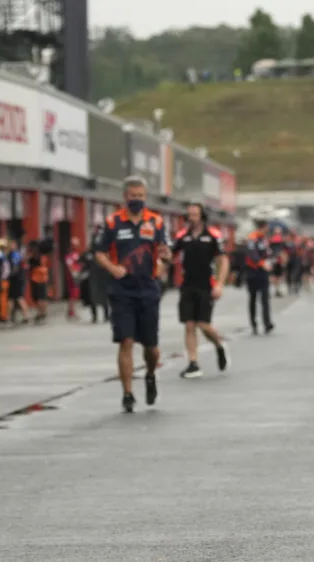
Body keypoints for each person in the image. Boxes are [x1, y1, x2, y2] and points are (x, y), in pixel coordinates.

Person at [94, 176, 172, 413]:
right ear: (125, 197)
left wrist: (166, 257)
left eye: (140, 196)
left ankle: (150, 374)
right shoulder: (113, 222)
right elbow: (99, 252)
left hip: (148, 289)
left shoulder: (156, 222)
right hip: (121, 291)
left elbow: (164, 251)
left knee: (151, 346)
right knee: (125, 341)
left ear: (145, 197)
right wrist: (112, 267)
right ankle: (127, 393)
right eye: (132, 196)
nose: (136, 200)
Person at [171, 203, 230, 378]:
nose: (192, 218)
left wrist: (220, 283)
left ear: (202, 216)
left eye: (195, 215)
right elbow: (170, 254)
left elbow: (223, 260)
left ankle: (219, 345)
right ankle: (193, 363)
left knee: (203, 325)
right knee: (189, 324)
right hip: (187, 284)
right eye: (189, 215)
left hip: (206, 285)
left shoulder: (213, 235)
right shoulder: (182, 236)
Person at [244, 219, 275, 335]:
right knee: (252, 298)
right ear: (263, 226)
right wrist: (262, 264)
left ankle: (267, 323)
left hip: (263, 273)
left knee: (265, 299)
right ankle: (253, 324)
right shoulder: (253, 238)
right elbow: (252, 254)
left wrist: (271, 261)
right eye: (267, 227)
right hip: (253, 272)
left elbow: (268, 253)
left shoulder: (264, 239)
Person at [6, 239, 30, 323]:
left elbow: (15, 268)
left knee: (18, 298)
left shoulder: (15, 255)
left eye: (12, 245)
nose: (10, 246)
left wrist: (10, 275)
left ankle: (25, 316)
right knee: (11, 298)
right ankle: (9, 317)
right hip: (16, 279)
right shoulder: (11, 255)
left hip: (16, 279)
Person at [27, 241, 49, 323]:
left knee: (38, 297)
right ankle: (43, 312)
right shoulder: (43, 256)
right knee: (42, 296)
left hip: (36, 278)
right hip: (43, 278)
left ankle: (40, 313)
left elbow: (29, 265)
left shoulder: (34, 257)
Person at [64, 237, 82, 321]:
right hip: (72, 277)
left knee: (75, 294)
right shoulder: (69, 255)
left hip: (77, 275)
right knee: (72, 294)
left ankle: (70, 311)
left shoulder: (77, 254)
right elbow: (70, 266)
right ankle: (72, 312)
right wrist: (74, 273)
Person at [269, 226, 287, 297]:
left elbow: (283, 251)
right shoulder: (276, 240)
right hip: (276, 259)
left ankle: (277, 289)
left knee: (277, 275)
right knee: (275, 275)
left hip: (277, 260)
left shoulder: (273, 239)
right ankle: (276, 289)